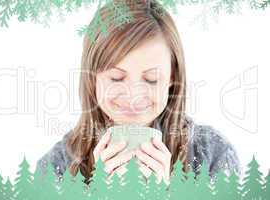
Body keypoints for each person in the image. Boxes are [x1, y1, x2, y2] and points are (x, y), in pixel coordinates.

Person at [36, 0, 241, 186]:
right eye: (116, 78)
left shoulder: (215, 155)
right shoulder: (55, 168)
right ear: (92, 78)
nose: (133, 97)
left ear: (172, 78)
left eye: (151, 79)